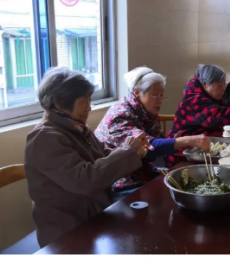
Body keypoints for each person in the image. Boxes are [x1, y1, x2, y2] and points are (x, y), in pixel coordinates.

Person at [25, 67, 150, 247]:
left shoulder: (75, 126)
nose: (89, 108)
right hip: (66, 230)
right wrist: (128, 153)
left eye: (90, 100)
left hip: (94, 214)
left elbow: (103, 155)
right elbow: (85, 180)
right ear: (60, 104)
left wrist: (133, 150)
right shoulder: (44, 138)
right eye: (84, 101)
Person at [95, 67, 211, 201]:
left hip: (145, 172)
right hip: (122, 182)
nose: (160, 100)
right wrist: (186, 140)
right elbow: (145, 147)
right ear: (137, 92)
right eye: (155, 95)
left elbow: (156, 145)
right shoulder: (119, 115)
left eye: (162, 96)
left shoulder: (147, 111)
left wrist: (173, 142)